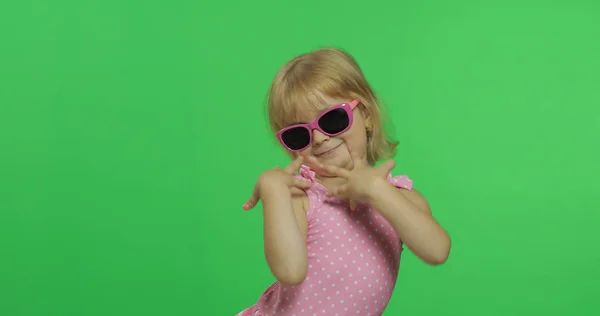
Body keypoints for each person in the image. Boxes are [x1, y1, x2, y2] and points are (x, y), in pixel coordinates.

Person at [238, 47, 451, 316]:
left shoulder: (400, 197)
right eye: (298, 135)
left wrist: (377, 191)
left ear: (368, 116)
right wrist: (273, 190)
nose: (319, 139)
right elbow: (290, 271)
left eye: (332, 119)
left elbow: (437, 250)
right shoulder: (303, 197)